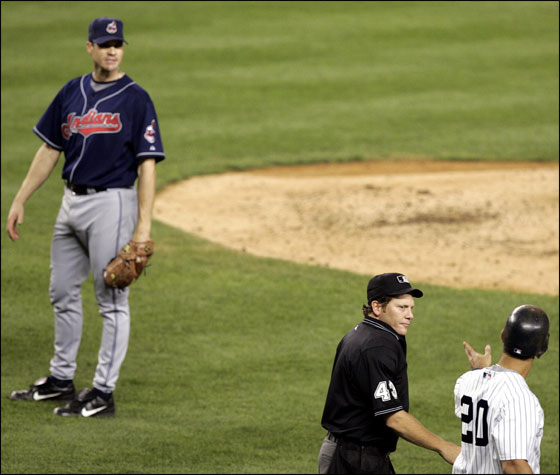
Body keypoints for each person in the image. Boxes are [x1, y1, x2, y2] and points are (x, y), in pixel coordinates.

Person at [6, 17, 165, 417]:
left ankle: (102, 393)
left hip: (112, 203)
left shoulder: (136, 98)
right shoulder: (71, 92)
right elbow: (49, 150)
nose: (112, 50)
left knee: (111, 299)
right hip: (70, 204)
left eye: (118, 44)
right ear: (89, 48)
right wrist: (21, 198)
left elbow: (147, 165)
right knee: (61, 291)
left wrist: (143, 226)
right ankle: (61, 379)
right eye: (104, 43)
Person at [318, 272, 460, 474]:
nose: (410, 315)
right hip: (352, 459)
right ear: (377, 307)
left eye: (411, 308)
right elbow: (394, 417)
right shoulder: (376, 346)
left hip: (354, 453)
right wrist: (443, 446)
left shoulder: (364, 333)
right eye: (401, 307)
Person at [453, 305, 550, 474]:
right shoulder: (520, 398)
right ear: (542, 348)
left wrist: (479, 370)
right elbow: (513, 465)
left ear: (503, 335)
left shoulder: (467, 381)